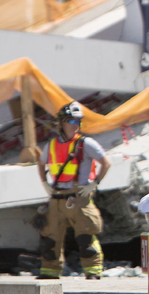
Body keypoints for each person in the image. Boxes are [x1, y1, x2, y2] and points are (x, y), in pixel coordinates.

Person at [35, 101, 111, 279]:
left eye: (78, 122)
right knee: (50, 238)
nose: (75, 125)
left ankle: (93, 271)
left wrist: (95, 183)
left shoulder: (87, 143)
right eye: (71, 121)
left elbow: (106, 163)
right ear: (61, 123)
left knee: (86, 237)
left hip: (79, 198)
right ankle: (49, 271)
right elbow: (41, 163)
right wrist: (45, 183)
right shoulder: (51, 145)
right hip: (57, 198)